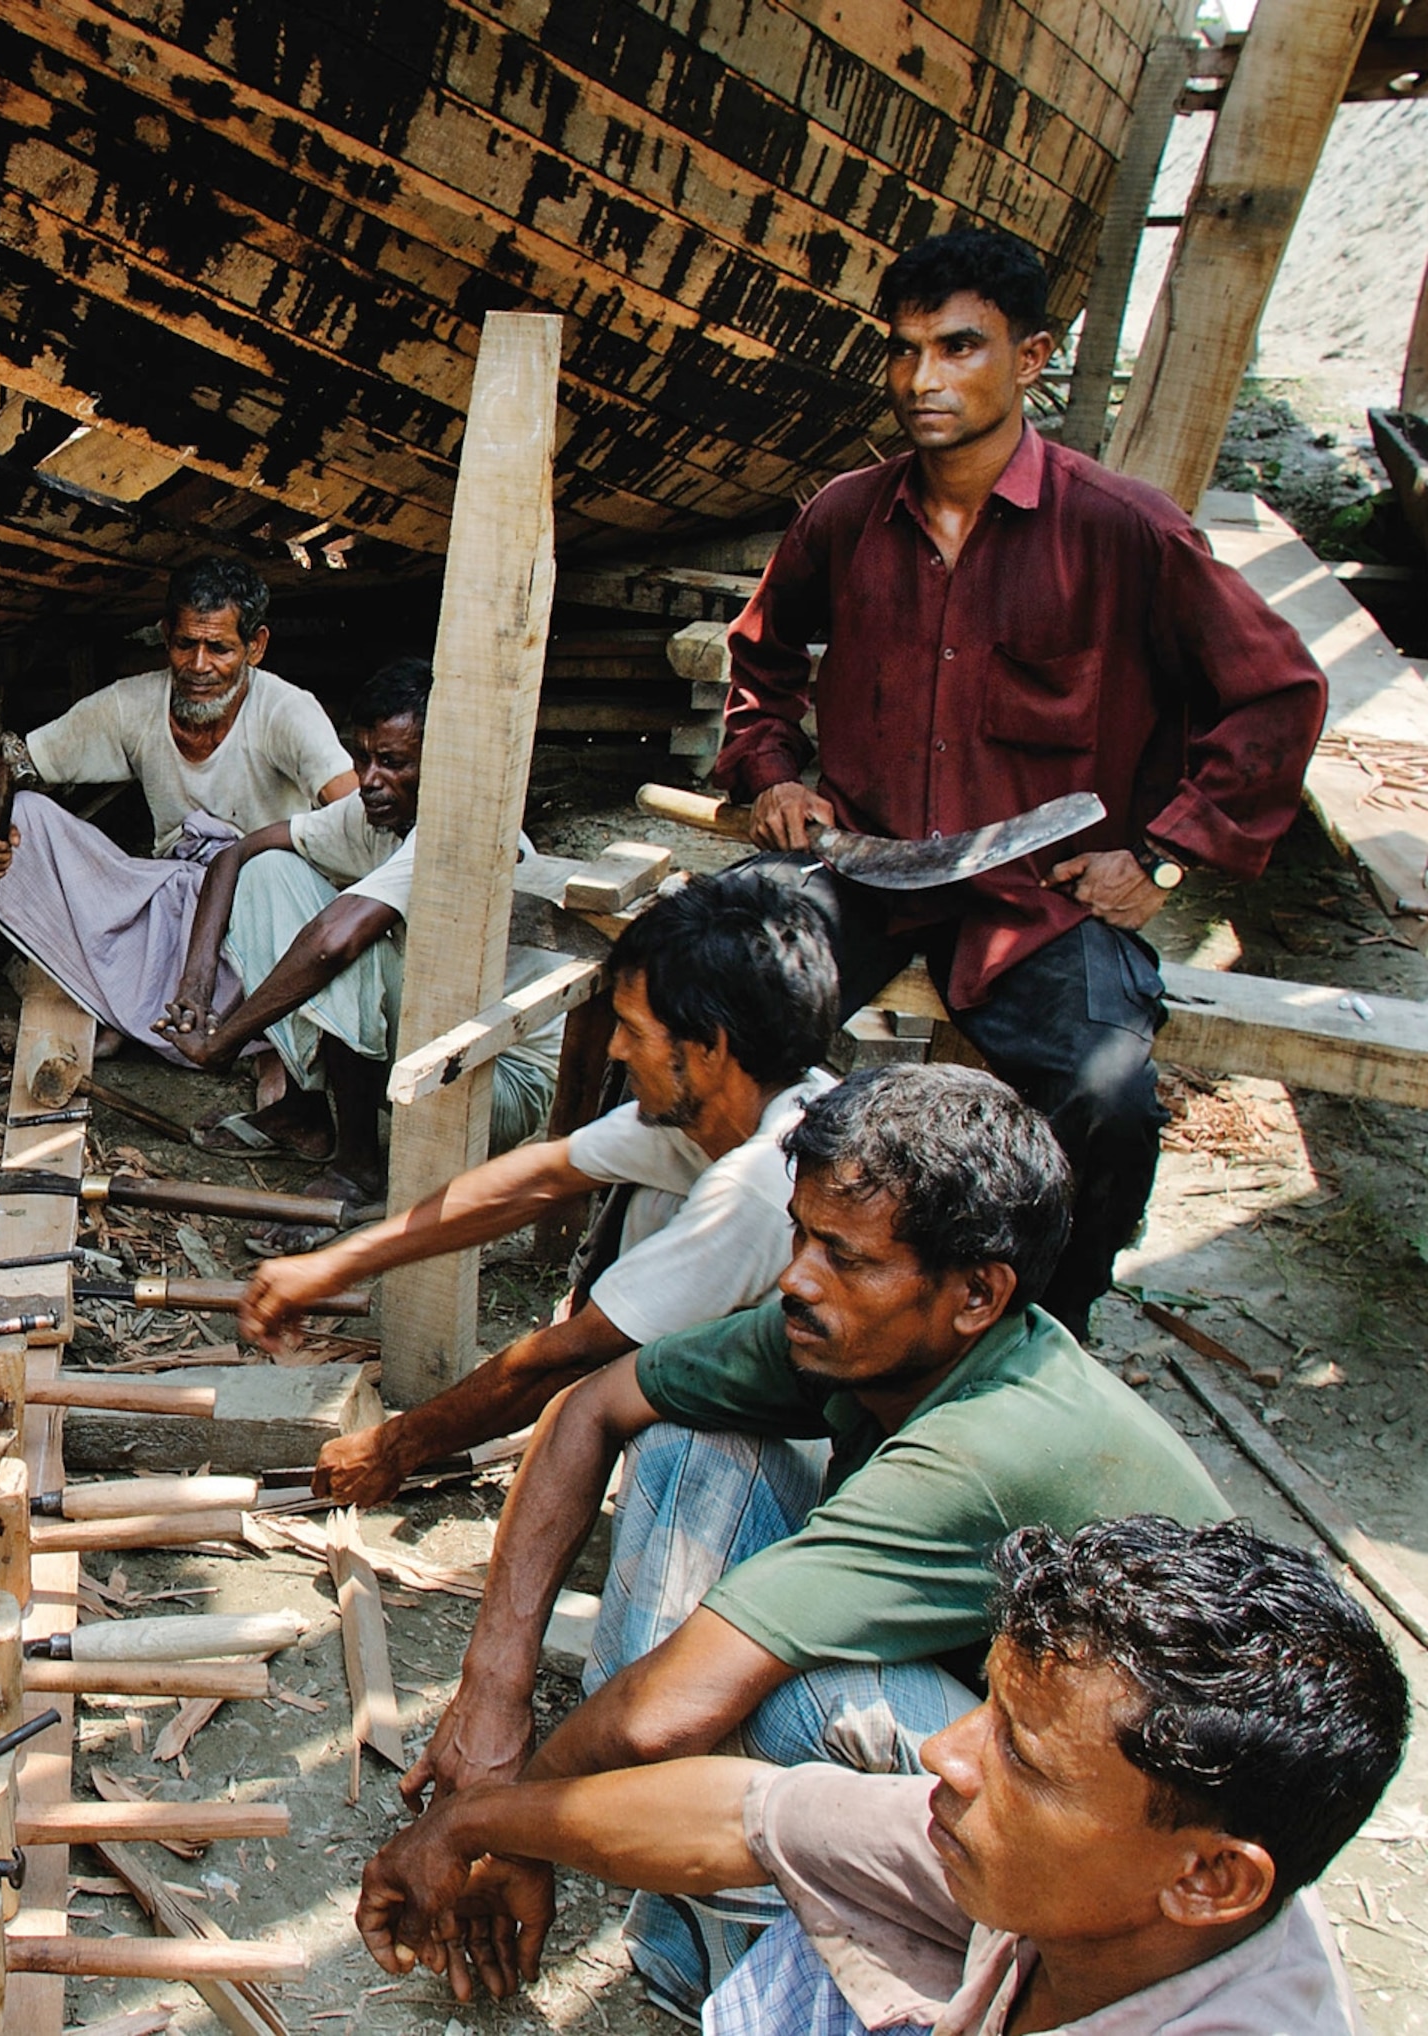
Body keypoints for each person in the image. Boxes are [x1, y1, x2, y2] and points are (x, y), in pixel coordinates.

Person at [395, 1064, 1228, 2018]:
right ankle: (690, 1948)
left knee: (789, 1696)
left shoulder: (981, 1450)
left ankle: (774, 1987)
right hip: (1012, 1751)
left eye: (849, 1257)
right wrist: (494, 1690)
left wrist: (492, 1831)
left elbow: (662, 1710)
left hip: (1117, 1868)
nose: (796, 1275)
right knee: (692, 1447)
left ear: (976, 1295)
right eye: (801, 1233)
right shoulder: (857, 1331)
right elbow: (592, 1407)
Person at [717, 227, 1326, 1335]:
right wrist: (771, 768)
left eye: (959, 347)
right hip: (867, 865)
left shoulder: (1121, 528)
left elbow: (1278, 691)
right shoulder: (848, 514)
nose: (923, 380)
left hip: (1044, 897)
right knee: (710, 992)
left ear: (1033, 356)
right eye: (904, 352)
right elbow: (760, 656)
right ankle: (733, 1286)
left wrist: (1169, 856)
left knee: (1105, 1099)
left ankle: (1046, 1326)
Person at [356, 1517, 1406, 2033]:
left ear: (1212, 1878)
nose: (947, 1749)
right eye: (988, 1711)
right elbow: (754, 1812)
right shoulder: (1094, 1886)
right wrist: (482, 1821)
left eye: (1022, 1759)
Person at [246, 864, 844, 1505]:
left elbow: (567, 1356)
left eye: (632, 1031)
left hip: (795, 1453)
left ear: (709, 1049)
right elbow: (539, 1178)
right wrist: (336, 1265)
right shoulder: (731, 1098)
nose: (613, 1050)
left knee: (670, 1440)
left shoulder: (763, 1182)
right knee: (650, 1198)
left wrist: (396, 1447)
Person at [158, 660, 554, 1194]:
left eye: (392, 763)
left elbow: (333, 943)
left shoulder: (459, 833)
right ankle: (305, 1112)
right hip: (433, 1045)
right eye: (361, 758)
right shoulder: (379, 812)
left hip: (494, 1080)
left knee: (347, 945)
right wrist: (196, 981)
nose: (369, 781)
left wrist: (223, 1040)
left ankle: (358, 1165)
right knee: (271, 872)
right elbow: (235, 854)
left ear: (443, 763)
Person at [0, 555, 356, 1058]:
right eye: (184, 644)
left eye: (219, 648)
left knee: (277, 874)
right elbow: (7, 763)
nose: (198, 666)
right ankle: (108, 1006)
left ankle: (253, 1034)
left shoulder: (286, 710)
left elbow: (353, 817)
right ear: (165, 633)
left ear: (255, 647)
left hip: (256, 918)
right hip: (169, 912)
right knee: (22, 819)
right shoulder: (133, 704)